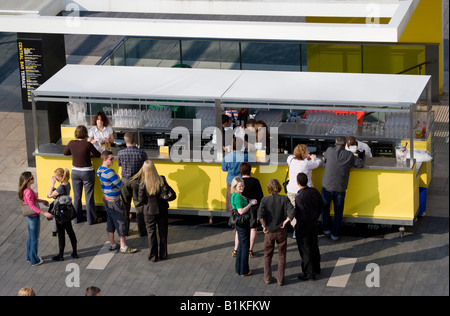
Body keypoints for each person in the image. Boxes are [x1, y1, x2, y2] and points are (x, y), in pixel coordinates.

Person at [321, 136, 364, 241]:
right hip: (340, 188)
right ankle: (335, 235)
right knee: (338, 212)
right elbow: (360, 164)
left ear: (335, 143)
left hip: (327, 186)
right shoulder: (349, 155)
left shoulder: (329, 150)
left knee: (325, 208)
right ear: (345, 145)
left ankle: (326, 230)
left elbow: (325, 158)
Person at [96, 150, 137, 254]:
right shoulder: (110, 172)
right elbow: (120, 184)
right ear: (104, 159)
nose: (113, 160)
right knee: (121, 221)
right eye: (111, 159)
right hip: (114, 201)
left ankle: (112, 244)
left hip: (106, 198)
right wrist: (118, 178)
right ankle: (123, 246)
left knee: (110, 220)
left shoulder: (100, 170)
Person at [257, 179, 294, 286]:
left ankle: (268, 278)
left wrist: (264, 226)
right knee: (282, 256)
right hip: (281, 231)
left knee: (268, 255)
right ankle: (280, 280)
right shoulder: (284, 199)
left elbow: (260, 215)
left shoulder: (264, 200)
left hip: (269, 231)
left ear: (268, 189)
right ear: (279, 188)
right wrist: (286, 221)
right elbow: (292, 211)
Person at [63, 125, 101, 224]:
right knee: (89, 196)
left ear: (76, 133)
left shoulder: (71, 143)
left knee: (77, 196)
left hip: (75, 172)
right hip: (87, 172)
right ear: (85, 134)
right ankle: (91, 219)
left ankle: (76, 219)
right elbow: (98, 155)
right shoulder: (87, 144)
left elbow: (65, 153)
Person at [134, 160, 170, 262]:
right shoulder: (161, 179)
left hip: (149, 210)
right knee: (163, 232)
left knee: (151, 233)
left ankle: (153, 256)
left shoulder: (142, 183)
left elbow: (140, 200)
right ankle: (163, 254)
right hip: (162, 209)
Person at [18, 172, 52, 266]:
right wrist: (44, 213)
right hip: (33, 217)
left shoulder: (26, 189)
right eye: (32, 178)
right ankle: (34, 260)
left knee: (31, 237)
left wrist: (41, 201)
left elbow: (32, 201)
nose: (34, 179)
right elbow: (32, 206)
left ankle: (29, 257)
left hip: (29, 217)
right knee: (34, 239)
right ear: (28, 181)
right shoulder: (28, 191)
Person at [117, 132, 148, 236]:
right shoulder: (142, 153)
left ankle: (125, 231)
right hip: (137, 181)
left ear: (125, 142)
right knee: (139, 206)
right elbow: (145, 166)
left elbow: (120, 164)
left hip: (124, 181)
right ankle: (142, 231)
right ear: (135, 141)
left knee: (125, 206)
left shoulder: (120, 153)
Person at [294, 173, 323, 281]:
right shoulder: (314, 191)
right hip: (313, 223)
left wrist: (298, 227)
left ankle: (309, 273)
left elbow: (300, 214)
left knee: (305, 249)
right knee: (314, 245)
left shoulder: (299, 197)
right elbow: (321, 205)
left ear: (297, 182)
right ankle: (317, 268)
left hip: (303, 226)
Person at [47, 168, 78, 261]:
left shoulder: (61, 187)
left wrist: (52, 185)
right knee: (70, 232)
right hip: (67, 212)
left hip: (60, 213)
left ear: (60, 177)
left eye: (55, 176)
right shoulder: (67, 183)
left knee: (61, 234)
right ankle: (75, 252)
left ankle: (60, 255)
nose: (54, 177)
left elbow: (49, 195)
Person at [230, 176, 257, 277]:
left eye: (243, 185)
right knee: (245, 246)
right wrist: (250, 204)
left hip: (240, 224)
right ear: (235, 186)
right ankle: (244, 270)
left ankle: (239, 269)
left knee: (241, 246)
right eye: (240, 186)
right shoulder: (237, 196)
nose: (242, 187)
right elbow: (241, 211)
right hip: (243, 223)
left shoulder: (235, 195)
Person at [239, 162, 263, 258]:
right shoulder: (255, 181)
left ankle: (237, 249)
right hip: (253, 209)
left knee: (240, 230)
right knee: (253, 229)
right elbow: (260, 196)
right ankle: (250, 250)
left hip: (242, 209)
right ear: (250, 170)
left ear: (240, 171)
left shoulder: (239, 183)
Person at [222, 137, 248, 213]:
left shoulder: (227, 157)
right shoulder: (245, 157)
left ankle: (232, 218)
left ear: (231, 145)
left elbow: (224, 169)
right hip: (241, 182)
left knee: (231, 202)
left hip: (231, 182)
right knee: (241, 202)